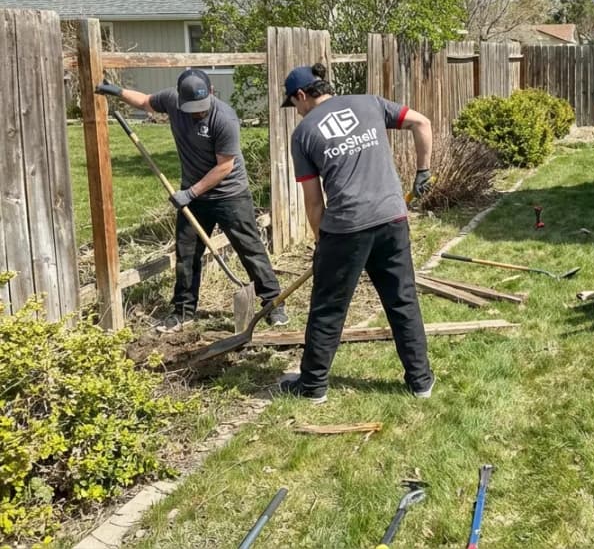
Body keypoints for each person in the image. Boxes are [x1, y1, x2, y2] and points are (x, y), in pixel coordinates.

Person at [278, 63, 435, 404]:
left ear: (302, 95)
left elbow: (313, 201)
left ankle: (313, 386)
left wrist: (323, 244)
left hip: (346, 228)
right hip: (392, 219)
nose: (297, 111)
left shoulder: (304, 134)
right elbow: (421, 122)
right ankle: (421, 383)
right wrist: (423, 171)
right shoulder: (370, 103)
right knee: (402, 300)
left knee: (328, 308)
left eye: (294, 104)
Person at [95, 70, 285, 332]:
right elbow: (145, 102)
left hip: (229, 194)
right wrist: (116, 91)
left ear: (212, 92)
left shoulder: (224, 118)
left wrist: (190, 193)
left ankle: (274, 304)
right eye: (192, 108)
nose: (197, 112)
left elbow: (225, 166)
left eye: (201, 107)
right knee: (186, 254)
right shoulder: (173, 101)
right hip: (194, 197)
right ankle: (183, 311)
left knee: (249, 248)